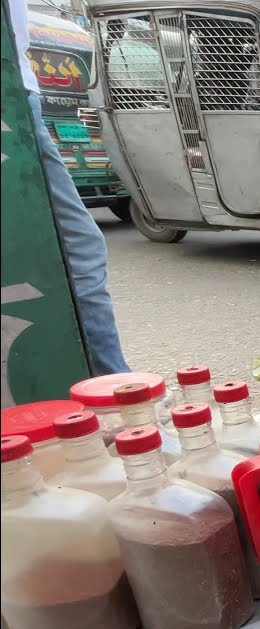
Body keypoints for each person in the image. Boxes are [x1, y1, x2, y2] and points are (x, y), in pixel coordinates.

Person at [7, 1, 131, 375]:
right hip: (11, 97)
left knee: (78, 250)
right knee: (78, 249)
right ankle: (119, 397)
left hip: (19, 94)